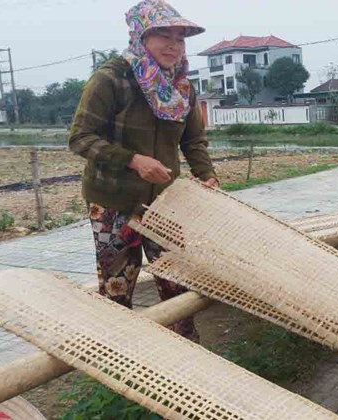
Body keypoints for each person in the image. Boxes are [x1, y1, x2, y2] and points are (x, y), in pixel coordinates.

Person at [69, 0, 218, 339]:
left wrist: (206, 173)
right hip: (113, 202)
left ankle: (184, 351)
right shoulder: (111, 80)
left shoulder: (181, 87)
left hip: (165, 203)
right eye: (162, 35)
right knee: (117, 286)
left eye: (180, 39)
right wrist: (133, 160)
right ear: (140, 37)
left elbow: (194, 139)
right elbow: (80, 138)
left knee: (178, 281)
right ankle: (123, 357)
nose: (173, 46)